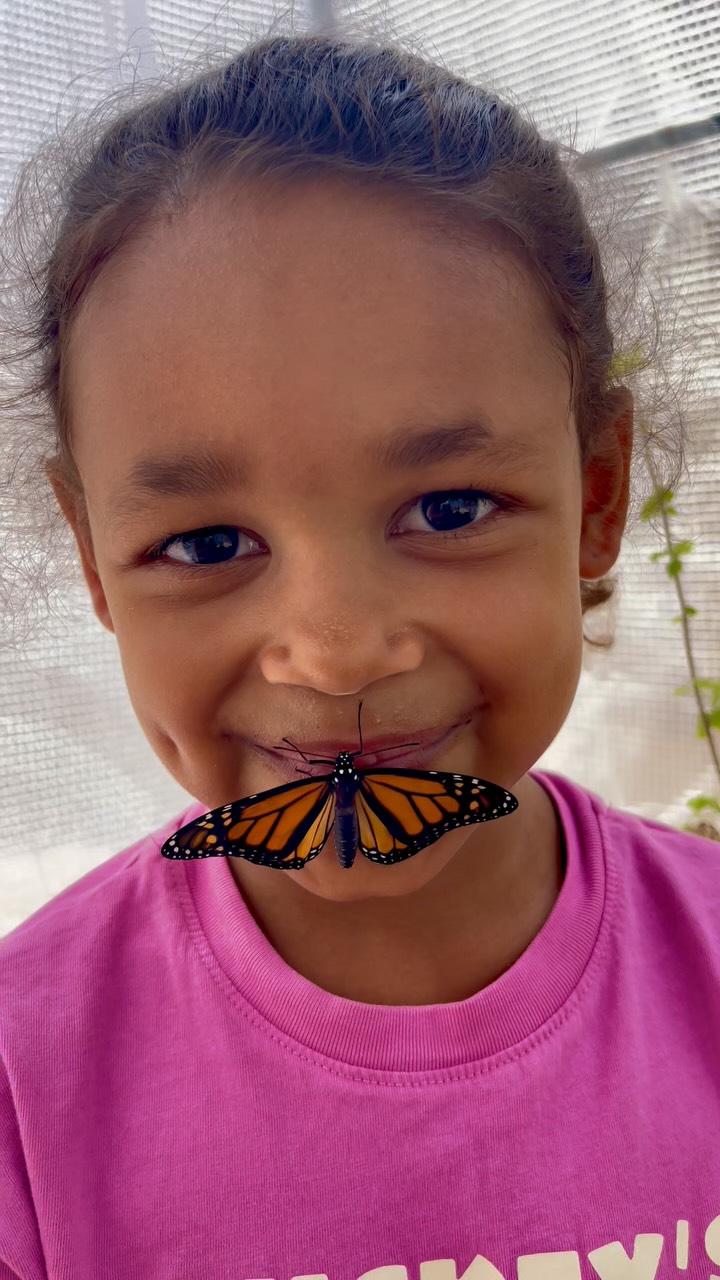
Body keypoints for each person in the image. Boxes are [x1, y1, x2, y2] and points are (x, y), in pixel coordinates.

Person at [0, 26, 718, 1280]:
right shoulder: (26, 1081)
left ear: (598, 495)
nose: (333, 654)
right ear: (94, 555)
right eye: (208, 538)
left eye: (448, 509)